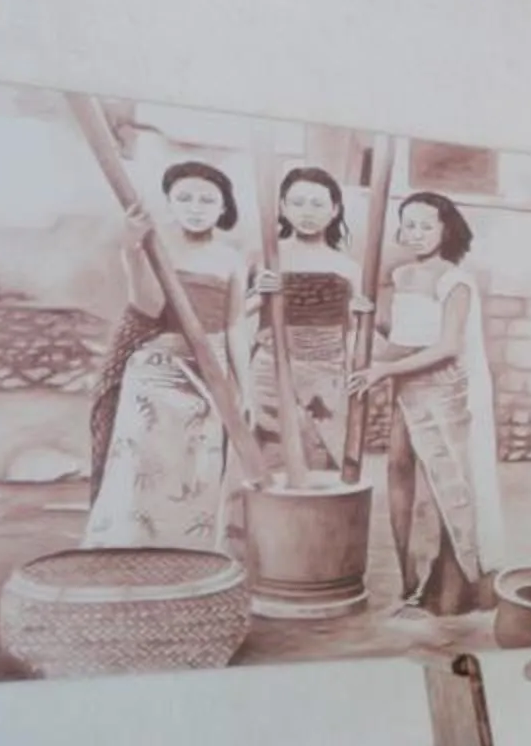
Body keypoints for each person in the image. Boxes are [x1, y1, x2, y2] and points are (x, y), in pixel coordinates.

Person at [84, 160, 252, 552]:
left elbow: (234, 328)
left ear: (224, 207)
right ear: (170, 204)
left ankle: (189, 557)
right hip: (156, 370)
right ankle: (129, 553)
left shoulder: (231, 259)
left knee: (199, 466)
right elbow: (148, 305)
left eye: (207, 199)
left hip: (210, 372)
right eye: (185, 198)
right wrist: (132, 252)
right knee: (142, 463)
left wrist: (245, 391)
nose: (196, 206)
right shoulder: (154, 247)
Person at [357, 191, 506, 616]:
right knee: (398, 470)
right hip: (407, 384)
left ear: (445, 229)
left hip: (444, 386)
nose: (416, 233)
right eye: (409, 225)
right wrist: (365, 315)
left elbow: (446, 345)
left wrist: (384, 370)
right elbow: (399, 335)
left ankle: (450, 588)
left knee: (447, 483)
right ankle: (408, 579)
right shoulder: (401, 276)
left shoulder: (455, 279)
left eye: (427, 225)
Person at [248, 165, 364, 476]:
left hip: (326, 374)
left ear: (335, 209)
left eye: (317, 204)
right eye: (297, 203)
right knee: (271, 457)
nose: (307, 212)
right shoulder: (265, 258)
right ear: (283, 208)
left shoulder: (347, 267)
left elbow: (352, 332)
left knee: (321, 457)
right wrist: (257, 294)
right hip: (271, 371)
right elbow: (235, 317)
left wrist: (356, 373)